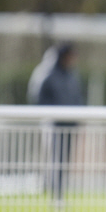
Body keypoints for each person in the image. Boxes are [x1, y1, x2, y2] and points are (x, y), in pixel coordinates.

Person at [27, 42, 85, 200]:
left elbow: (77, 97)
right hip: (53, 125)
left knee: (63, 161)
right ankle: (55, 195)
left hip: (70, 125)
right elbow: (37, 97)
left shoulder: (71, 74)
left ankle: (58, 193)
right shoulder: (46, 72)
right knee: (55, 160)